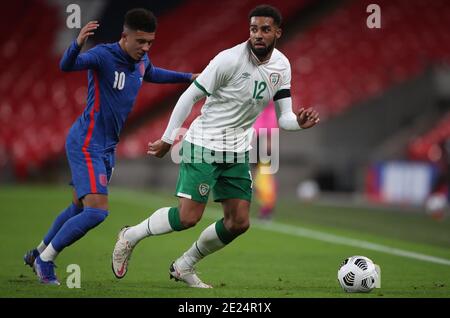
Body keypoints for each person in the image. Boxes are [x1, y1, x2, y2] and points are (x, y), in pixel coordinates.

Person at [112, 5, 320, 288]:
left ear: (278, 32)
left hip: (237, 150)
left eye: (265, 30)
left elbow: (284, 118)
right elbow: (188, 97)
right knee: (188, 218)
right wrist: (168, 138)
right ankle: (130, 236)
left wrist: (299, 122)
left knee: (239, 222)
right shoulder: (228, 60)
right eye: (254, 29)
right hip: (204, 144)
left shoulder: (282, 66)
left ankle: (184, 265)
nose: (258, 35)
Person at [23, 8, 198, 285]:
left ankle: (38, 253)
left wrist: (188, 77)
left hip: (107, 147)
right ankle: (46, 261)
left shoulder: (142, 60)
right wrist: (76, 44)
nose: (145, 48)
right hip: (86, 142)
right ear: (124, 36)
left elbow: (152, 72)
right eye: (140, 42)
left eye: (150, 42)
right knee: (96, 211)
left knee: (79, 209)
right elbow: (67, 66)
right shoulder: (103, 55)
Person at [253, 101, 278, 220]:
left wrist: (269, 139)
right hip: (258, 136)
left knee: (264, 176)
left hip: (263, 138)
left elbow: (270, 117)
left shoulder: (268, 100)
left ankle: (267, 207)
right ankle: (265, 207)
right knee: (260, 177)